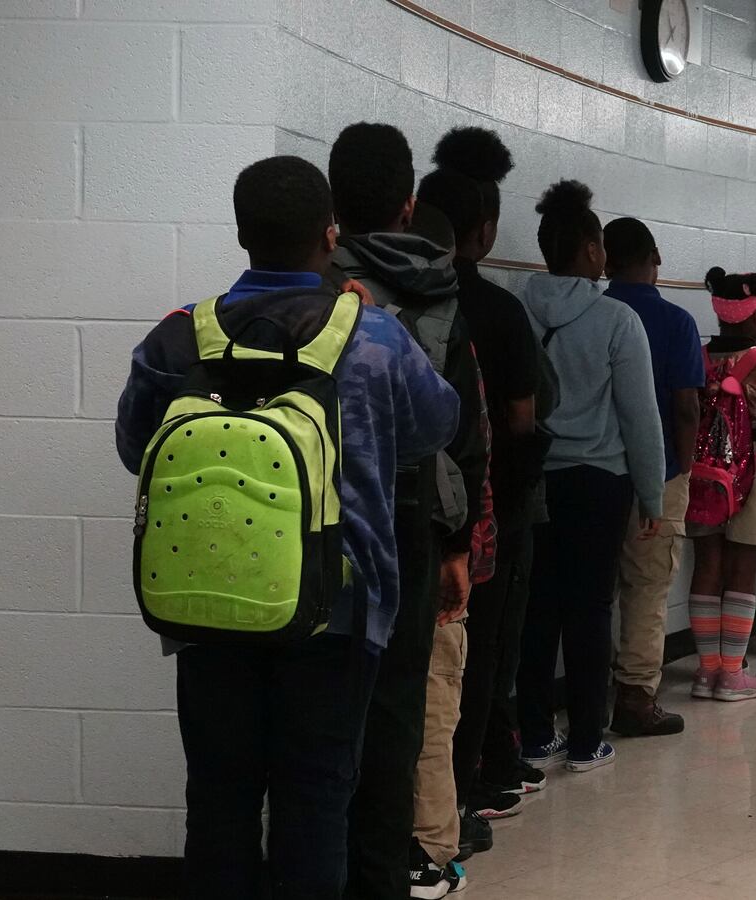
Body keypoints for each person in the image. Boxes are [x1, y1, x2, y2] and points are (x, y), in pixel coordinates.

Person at [114, 155, 459, 899]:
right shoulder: (374, 336)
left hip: (206, 604)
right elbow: (437, 425)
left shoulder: (178, 337)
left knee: (218, 798)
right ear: (330, 233)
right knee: (315, 802)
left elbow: (133, 447)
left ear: (241, 234)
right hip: (337, 610)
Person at [326, 122, 491, 899]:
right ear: (408, 203)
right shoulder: (440, 288)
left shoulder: (309, 283)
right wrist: (459, 541)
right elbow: (466, 427)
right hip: (412, 520)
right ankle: (383, 878)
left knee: (321, 708)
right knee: (396, 713)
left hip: (319, 519)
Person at [418, 128, 552, 835]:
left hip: (400, 516)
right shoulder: (498, 311)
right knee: (479, 655)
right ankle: (467, 791)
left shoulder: (371, 301)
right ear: (486, 229)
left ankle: (432, 800)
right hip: (487, 513)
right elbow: (523, 418)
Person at [516, 180, 664, 773]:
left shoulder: (518, 310)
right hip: (599, 482)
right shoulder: (617, 321)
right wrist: (651, 493)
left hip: (534, 477)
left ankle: (531, 732)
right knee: (590, 609)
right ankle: (585, 740)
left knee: (536, 609)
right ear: (589, 250)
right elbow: (640, 415)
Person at [602, 217, 702, 736]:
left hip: (594, 474)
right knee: (646, 588)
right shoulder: (675, 322)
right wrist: (681, 467)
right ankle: (637, 698)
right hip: (658, 472)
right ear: (655, 257)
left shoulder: (592, 315)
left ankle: (585, 693)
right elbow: (686, 406)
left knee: (594, 591)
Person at [685, 268, 756, 701]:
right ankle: (733, 673)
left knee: (707, 566)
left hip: (703, 476)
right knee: (742, 573)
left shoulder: (698, 356)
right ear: (755, 316)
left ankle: (705, 671)